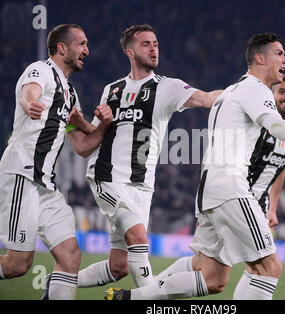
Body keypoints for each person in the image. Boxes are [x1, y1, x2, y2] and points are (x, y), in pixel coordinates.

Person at [104, 32, 285, 300]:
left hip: (211, 191)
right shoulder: (255, 89)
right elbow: (276, 126)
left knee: (212, 279)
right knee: (269, 268)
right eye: (279, 53)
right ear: (260, 58)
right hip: (232, 189)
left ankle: (130, 298)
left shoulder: (232, 91)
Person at [76, 24, 222, 289]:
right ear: (129, 52)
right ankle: (148, 300)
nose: (154, 48)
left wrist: (244, 95)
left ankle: (58, 283)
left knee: (118, 266)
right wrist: (81, 124)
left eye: (155, 43)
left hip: (142, 187)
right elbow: (91, 142)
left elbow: (209, 98)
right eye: (146, 44)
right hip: (108, 177)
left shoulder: (168, 87)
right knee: (139, 238)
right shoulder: (112, 90)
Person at [153, 73, 285, 287]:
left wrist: (273, 207)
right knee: (252, 268)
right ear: (272, 94)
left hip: (259, 205)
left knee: (252, 268)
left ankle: (145, 292)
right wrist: (211, 202)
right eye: (282, 92)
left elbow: (281, 168)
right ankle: (148, 291)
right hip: (235, 198)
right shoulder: (255, 122)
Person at [0, 24, 113, 300]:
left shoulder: (70, 93)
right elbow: (30, 92)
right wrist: (30, 104)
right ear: (62, 48)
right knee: (17, 265)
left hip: (47, 188)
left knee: (70, 256)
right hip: (23, 175)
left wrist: (103, 124)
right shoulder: (41, 70)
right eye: (82, 44)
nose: (87, 50)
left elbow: (84, 146)